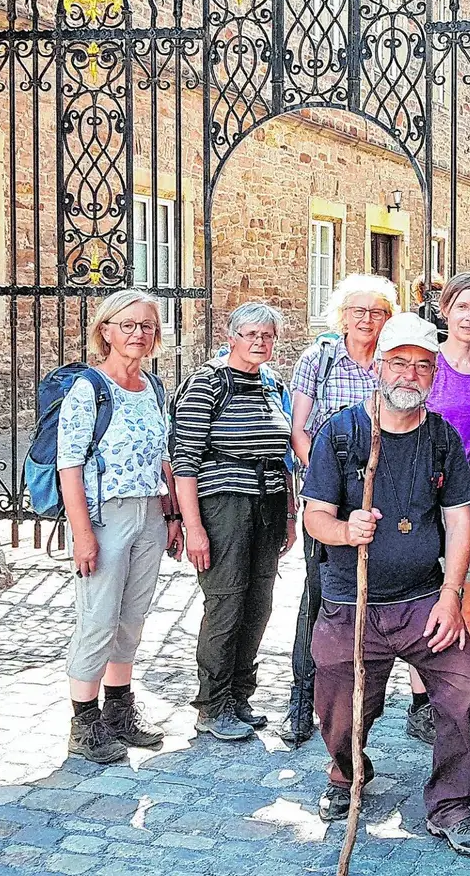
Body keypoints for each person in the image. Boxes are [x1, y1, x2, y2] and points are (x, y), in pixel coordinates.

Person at [301, 313, 470, 857]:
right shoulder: (341, 433)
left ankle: (452, 803)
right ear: (379, 366)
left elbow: (459, 519)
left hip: (422, 602)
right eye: (400, 363)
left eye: (422, 365)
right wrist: (345, 528)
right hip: (350, 603)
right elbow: (316, 516)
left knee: (466, 688)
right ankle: (346, 772)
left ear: (434, 373)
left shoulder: (440, 440)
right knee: (340, 703)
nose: (410, 375)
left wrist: (451, 595)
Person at [56, 288, 183, 763]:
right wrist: (83, 533)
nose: (138, 333)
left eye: (146, 325)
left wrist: (171, 515)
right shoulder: (89, 389)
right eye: (127, 325)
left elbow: (163, 455)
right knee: (97, 619)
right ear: (105, 331)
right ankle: (83, 722)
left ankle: (119, 710)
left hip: (149, 512)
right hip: (105, 517)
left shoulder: (152, 387)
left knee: (131, 620)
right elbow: (69, 465)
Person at [171, 302, 297, 741]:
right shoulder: (208, 381)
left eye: (267, 335)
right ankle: (212, 704)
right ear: (231, 336)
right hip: (224, 503)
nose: (259, 342)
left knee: (258, 603)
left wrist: (291, 512)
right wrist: (194, 527)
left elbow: (281, 455)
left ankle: (240, 696)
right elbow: (184, 459)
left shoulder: (271, 383)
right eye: (250, 334)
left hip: (268, 502)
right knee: (225, 602)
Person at [283, 273, 399, 743]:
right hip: (328, 495)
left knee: (382, 586)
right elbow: (299, 428)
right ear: (342, 316)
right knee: (320, 590)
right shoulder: (320, 358)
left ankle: (371, 695)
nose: (367, 320)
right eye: (358, 311)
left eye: (377, 312)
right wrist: (327, 484)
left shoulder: (391, 363)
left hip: (383, 498)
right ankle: (303, 694)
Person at [405, 272, 470, 746]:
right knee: (423, 589)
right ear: (446, 310)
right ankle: (422, 699)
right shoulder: (430, 365)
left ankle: (459, 690)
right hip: (425, 490)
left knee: (469, 594)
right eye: (463, 306)